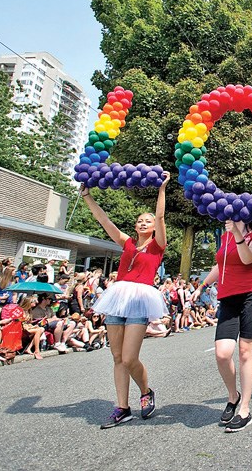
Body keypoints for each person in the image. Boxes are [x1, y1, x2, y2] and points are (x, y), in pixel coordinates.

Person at [80, 172, 170, 429]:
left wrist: (161, 189)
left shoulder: (157, 245)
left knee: (130, 357)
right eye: (140, 221)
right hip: (117, 298)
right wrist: (87, 196)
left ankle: (145, 391)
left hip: (140, 298)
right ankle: (122, 407)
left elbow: (161, 216)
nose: (143, 223)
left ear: (153, 227)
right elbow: (103, 219)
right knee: (117, 356)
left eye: (147, 221)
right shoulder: (127, 242)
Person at [191, 218, 252, 433]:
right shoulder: (226, 237)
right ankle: (232, 396)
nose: (230, 216)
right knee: (223, 353)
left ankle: (244, 410)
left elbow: (247, 259)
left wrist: (237, 234)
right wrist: (203, 286)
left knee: (245, 351)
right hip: (228, 297)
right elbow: (220, 264)